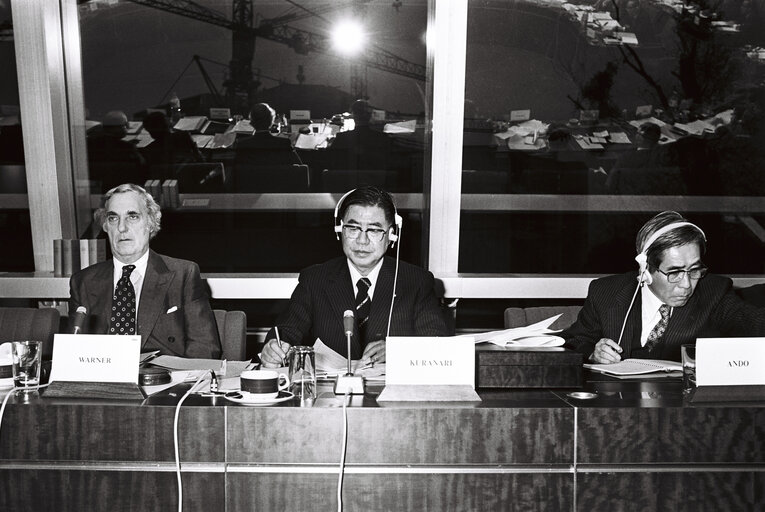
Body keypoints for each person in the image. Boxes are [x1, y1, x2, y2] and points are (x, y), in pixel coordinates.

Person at [260, 186, 449, 367]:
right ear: (339, 230)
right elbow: (286, 331)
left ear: (391, 235)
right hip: (331, 396)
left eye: (374, 230)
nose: (362, 240)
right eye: (353, 228)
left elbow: (437, 344)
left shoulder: (416, 281)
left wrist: (398, 351)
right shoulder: (314, 279)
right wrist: (274, 349)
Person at [562, 211, 765, 363]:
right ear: (646, 270)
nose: (686, 285)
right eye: (674, 272)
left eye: (694, 270)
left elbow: (755, 324)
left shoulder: (715, 292)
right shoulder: (606, 292)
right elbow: (574, 341)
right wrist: (593, 353)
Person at [68, 183, 222, 358]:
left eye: (132, 217)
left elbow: (204, 349)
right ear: (105, 226)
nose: (122, 228)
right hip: (105, 382)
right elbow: (74, 354)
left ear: (150, 223)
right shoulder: (83, 282)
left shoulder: (183, 274)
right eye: (113, 218)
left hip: (165, 380)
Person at [86, 111, 146, 191]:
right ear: (118, 127)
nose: (127, 128)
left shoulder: (90, 144)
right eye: (125, 125)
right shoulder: (126, 148)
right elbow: (141, 165)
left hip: (102, 188)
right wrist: (133, 149)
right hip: (124, 188)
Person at [233, 103, 301, 167]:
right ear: (271, 122)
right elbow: (300, 169)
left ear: (251, 123)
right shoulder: (284, 143)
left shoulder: (242, 144)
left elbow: (237, 172)